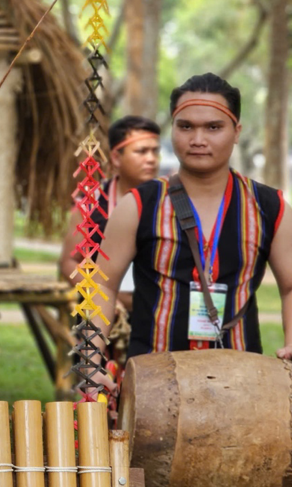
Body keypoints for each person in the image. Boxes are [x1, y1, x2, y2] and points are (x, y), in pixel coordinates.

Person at [93, 73, 292, 391]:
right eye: (186, 126)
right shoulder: (139, 205)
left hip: (243, 388)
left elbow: (290, 287)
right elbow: (101, 284)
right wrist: (90, 358)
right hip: (152, 387)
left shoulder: (271, 207)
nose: (198, 139)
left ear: (236, 131)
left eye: (213, 127)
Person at [58, 116, 160, 362]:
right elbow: (70, 264)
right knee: (99, 394)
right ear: (116, 157)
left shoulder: (170, 203)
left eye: (155, 151)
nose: (151, 159)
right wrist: (103, 296)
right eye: (141, 151)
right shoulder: (90, 204)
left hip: (157, 321)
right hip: (102, 320)